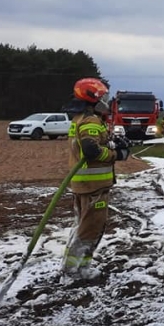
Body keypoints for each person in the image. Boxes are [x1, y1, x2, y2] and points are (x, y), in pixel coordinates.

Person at [62, 77, 129, 280]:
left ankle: (78, 267)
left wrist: (112, 143)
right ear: (93, 98)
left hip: (84, 185)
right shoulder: (91, 120)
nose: (106, 102)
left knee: (83, 227)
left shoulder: (80, 119)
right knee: (90, 230)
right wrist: (117, 154)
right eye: (103, 97)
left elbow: (90, 144)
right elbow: (90, 150)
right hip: (93, 187)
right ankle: (73, 271)